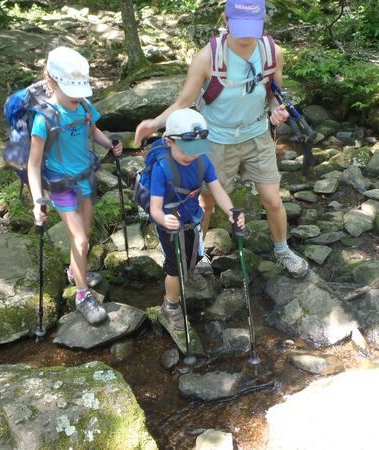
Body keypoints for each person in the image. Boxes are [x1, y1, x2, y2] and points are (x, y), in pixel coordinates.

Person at [135, 0, 309, 278]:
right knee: (206, 201)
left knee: (272, 199)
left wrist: (277, 110)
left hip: (256, 134)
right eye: (240, 27)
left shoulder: (272, 52)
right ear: (227, 21)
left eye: (253, 27)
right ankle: (200, 254)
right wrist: (155, 124)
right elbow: (185, 101)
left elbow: (273, 92)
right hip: (215, 138)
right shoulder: (207, 58)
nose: (246, 35)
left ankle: (282, 250)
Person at [28, 46, 123, 325]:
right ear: (53, 82)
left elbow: (91, 128)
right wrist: (37, 199)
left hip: (86, 178)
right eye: (72, 90)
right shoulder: (44, 119)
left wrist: (109, 145)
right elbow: (33, 164)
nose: (78, 96)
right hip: (61, 185)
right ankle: (82, 295)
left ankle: (74, 269)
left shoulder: (83, 104)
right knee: (80, 240)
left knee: (84, 236)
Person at [150, 108, 245, 330]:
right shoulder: (162, 168)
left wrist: (231, 211)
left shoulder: (202, 162)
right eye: (186, 150)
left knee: (195, 252)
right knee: (174, 267)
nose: (191, 156)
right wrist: (164, 220)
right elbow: (155, 209)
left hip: (193, 218)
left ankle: (192, 271)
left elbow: (217, 190)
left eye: (196, 150)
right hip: (169, 224)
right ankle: (171, 305)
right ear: (169, 142)